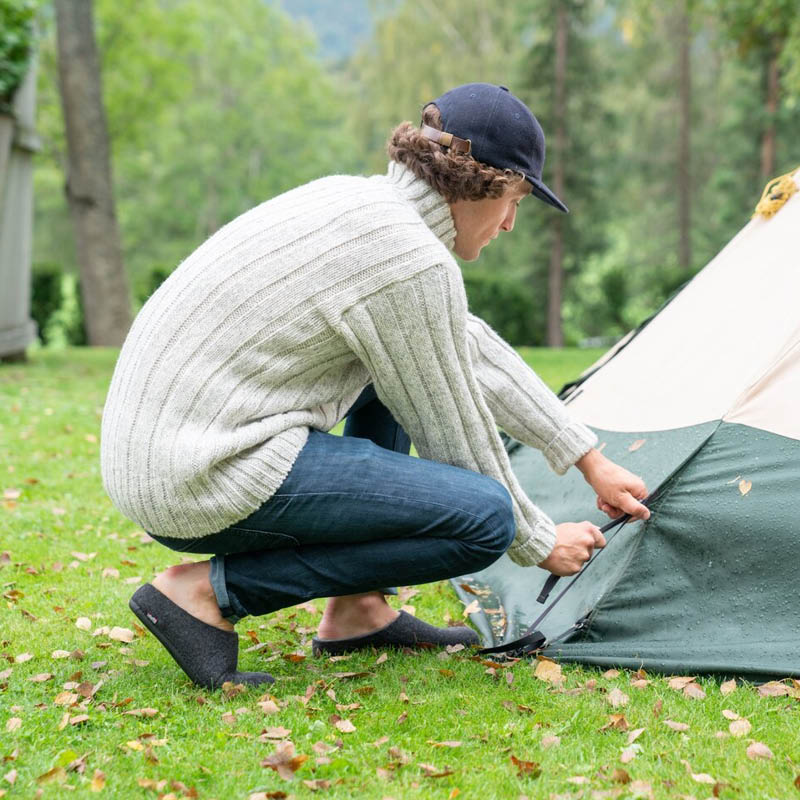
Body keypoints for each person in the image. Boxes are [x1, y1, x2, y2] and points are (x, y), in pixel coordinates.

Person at [100, 83, 650, 690]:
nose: (511, 223)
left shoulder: (365, 208)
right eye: (515, 198)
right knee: (485, 518)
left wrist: (587, 459)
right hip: (201, 473)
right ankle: (201, 594)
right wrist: (539, 539)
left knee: (393, 385)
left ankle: (359, 610)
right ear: (485, 183)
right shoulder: (408, 260)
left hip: (162, 456)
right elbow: (457, 437)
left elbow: (462, 346)